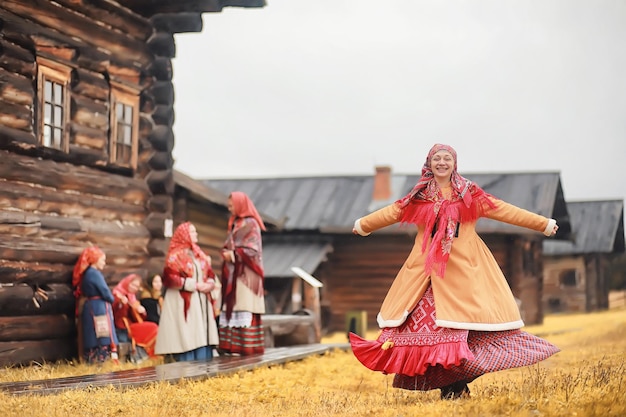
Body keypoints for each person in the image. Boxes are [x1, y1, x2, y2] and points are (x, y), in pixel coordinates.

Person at [349, 143, 560, 399]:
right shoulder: (419, 196)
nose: (441, 162)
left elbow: (503, 210)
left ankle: (457, 384)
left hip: (464, 272)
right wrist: (363, 225)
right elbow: (393, 212)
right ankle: (451, 387)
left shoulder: (469, 194)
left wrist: (544, 224)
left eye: (446, 158)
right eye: (436, 158)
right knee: (429, 331)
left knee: (466, 329)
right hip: (426, 275)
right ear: (429, 163)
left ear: (454, 163)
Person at [154, 222, 220, 362]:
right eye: (193, 232)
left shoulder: (198, 254)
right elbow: (170, 278)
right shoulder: (175, 256)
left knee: (201, 333)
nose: (196, 234)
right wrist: (193, 285)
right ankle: (187, 364)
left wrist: (210, 283)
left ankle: (204, 362)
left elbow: (209, 273)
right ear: (184, 235)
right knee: (187, 333)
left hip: (201, 300)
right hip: (182, 300)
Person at [219, 191, 266, 356]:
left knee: (245, 307)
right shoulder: (234, 222)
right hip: (233, 273)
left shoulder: (251, 224)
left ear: (239, 205)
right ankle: (231, 347)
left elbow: (253, 250)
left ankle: (245, 347)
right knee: (234, 307)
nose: (229, 208)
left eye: (232, 205)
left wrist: (234, 254)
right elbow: (230, 243)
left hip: (247, 274)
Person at [72, 246, 119, 364]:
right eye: (102, 260)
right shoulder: (94, 274)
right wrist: (112, 298)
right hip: (98, 308)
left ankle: (94, 358)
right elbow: (105, 291)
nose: (104, 263)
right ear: (95, 260)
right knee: (101, 333)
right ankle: (100, 358)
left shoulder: (88, 273)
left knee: (94, 333)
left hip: (92, 306)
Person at [112, 274, 159, 360]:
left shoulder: (132, 297)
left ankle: (151, 355)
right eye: (133, 284)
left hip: (131, 324)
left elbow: (137, 317)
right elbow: (116, 313)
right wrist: (121, 303)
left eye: (136, 286)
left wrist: (141, 311)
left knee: (153, 327)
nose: (134, 288)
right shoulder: (117, 294)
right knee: (152, 327)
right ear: (127, 283)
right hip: (121, 326)